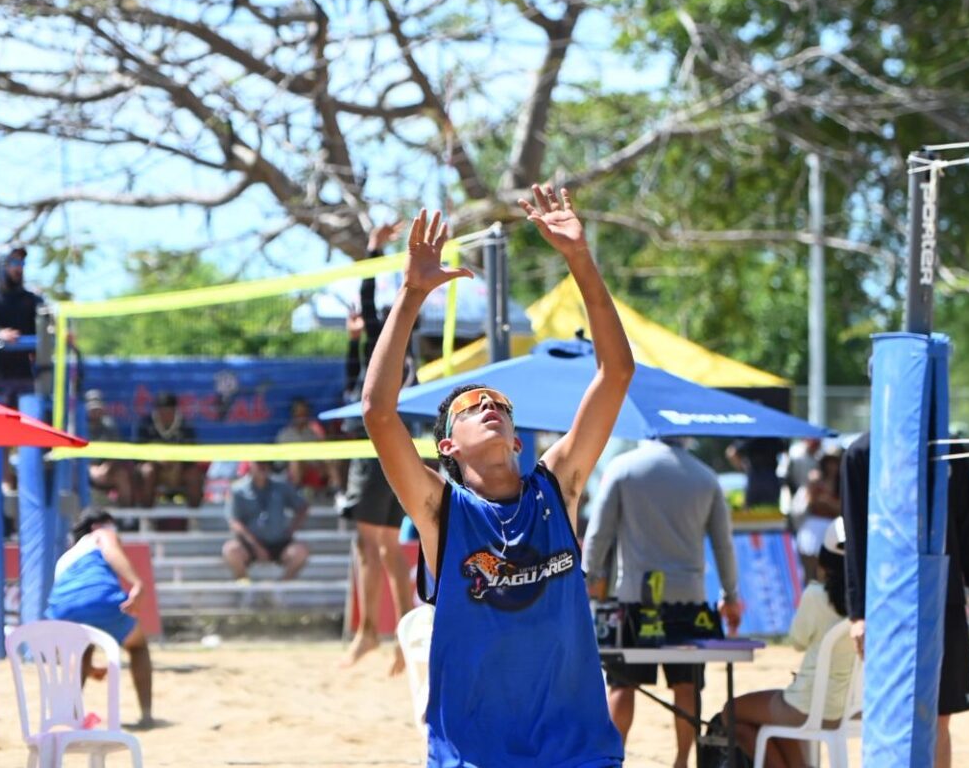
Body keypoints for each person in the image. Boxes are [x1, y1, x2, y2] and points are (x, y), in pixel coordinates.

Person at [363, 189, 634, 768]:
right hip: (479, 753)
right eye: (471, 407)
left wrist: (580, 258)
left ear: (516, 439)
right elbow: (378, 412)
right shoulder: (443, 512)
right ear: (447, 447)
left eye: (500, 405)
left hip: (577, 747)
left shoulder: (555, 487)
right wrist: (412, 294)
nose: (489, 406)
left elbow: (615, 373)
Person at [582, 438, 745, 768]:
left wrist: (590, 577)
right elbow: (723, 545)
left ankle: (613, 760)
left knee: (621, 686)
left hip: (633, 600)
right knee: (686, 686)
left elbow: (599, 533)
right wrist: (730, 595)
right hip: (690, 600)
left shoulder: (623, 468)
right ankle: (683, 761)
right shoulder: (705, 476)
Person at [841, 429, 969, 768]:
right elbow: (855, 538)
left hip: (946, 598)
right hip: (888, 602)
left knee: (939, 717)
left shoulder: (950, 448)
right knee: (894, 715)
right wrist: (858, 613)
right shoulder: (863, 452)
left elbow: (968, 523)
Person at [340, 220, 418, 673]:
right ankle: (400, 639)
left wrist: (374, 249)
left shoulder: (386, 343)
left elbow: (369, 299)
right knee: (387, 545)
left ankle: (369, 631)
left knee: (370, 544)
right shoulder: (412, 347)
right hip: (404, 443)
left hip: (378, 447)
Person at [716, 520, 855, 768]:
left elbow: (797, 642)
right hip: (849, 709)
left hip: (807, 704)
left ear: (824, 560)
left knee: (731, 712)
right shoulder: (869, 605)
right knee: (777, 722)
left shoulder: (816, 595)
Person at [45, 508, 155, 728]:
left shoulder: (65, 558)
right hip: (98, 596)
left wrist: (89, 666)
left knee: (80, 651)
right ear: (96, 526)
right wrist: (137, 583)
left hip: (60, 608)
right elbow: (111, 550)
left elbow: (73, 603)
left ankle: (72, 716)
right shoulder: (99, 535)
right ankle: (146, 715)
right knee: (138, 646)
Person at [222, 461, 311, 580]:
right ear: (251, 465)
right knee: (231, 550)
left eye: (266, 463)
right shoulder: (238, 490)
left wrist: (292, 528)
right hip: (250, 544)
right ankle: (245, 586)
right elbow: (234, 522)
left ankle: (281, 588)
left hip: (279, 542)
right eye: (259, 463)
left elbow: (302, 507)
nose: (263, 467)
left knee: (300, 552)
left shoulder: (282, 487)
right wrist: (256, 546)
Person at [0, 246, 41, 408]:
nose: (18, 266)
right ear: (2, 265)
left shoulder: (32, 299)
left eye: (21, 262)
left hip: (27, 378)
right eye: (13, 261)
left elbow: (45, 322)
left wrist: (59, 330)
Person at [137, 392, 206, 508]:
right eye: (162, 412)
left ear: (175, 411)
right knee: (147, 471)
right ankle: (146, 515)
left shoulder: (185, 426)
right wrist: (157, 460)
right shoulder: (146, 425)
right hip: (155, 469)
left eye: (168, 411)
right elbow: (138, 451)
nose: (165, 415)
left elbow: (192, 452)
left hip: (180, 469)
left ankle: (194, 516)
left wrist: (177, 462)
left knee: (194, 475)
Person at [83, 389, 140, 507]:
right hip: (83, 471)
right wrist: (89, 469)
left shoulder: (109, 426)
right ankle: (78, 515)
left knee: (122, 475)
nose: (95, 412)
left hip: (106, 471)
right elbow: (73, 455)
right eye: (92, 409)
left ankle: (127, 517)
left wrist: (105, 468)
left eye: (97, 409)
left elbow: (116, 452)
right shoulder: (79, 427)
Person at [794, 449, 841, 582]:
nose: (832, 466)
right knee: (810, 570)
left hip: (833, 529)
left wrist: (827, 501)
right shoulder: (816, 480)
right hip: (815, 528)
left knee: (828, 571)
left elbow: (839, 508)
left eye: (835, 462)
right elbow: (812, 501)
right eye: (829, 462)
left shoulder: (842, 483)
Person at [276, 397, 331, 493]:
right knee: (296, 461)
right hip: (291, 472)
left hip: (313, 468)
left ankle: (335, 492)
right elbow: (278, 463)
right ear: (293, 414)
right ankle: (296, 494)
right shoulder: (284, 434)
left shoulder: (313, 434)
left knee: (332, 460)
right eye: (298, 413)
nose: (301, 416)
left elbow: (321, 455)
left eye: (304, 413)